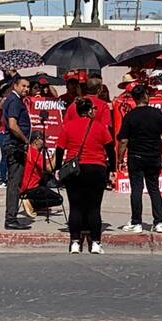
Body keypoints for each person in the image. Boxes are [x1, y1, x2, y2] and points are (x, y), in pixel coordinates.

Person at [55, 98, 113, 253]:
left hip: (75, 169)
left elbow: (59, 149)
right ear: (88, 111)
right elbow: (110, 148)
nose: (94, 111)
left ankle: (75, 242)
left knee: (75, 207)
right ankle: (95, 242)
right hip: (96, 168)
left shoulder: (68, 126)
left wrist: (57, 168)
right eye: (93, 109)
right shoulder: (100, 127)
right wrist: (112, 169)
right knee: (94, 207)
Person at [117, 84, 162, 233]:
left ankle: (136, 222)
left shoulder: (130, 116)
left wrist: (120, 159)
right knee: (154, 188)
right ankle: (159, 222)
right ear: (146, 97)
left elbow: (123, 141)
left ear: (134, 99)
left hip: (136, 156)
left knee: (137, 189)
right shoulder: (157, 113)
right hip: (154, 156)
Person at [0, 76, 32, 229]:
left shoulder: (14, 100)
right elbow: (13, 125)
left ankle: (11, 216)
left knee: (15, 182)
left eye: (28, 86)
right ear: (15, 86)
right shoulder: (14, 100)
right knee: (14, 182)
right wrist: (25, 140)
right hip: (14, 145)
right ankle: (10, 218)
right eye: (24, 86)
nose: (26, 89)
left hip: (14, 144)